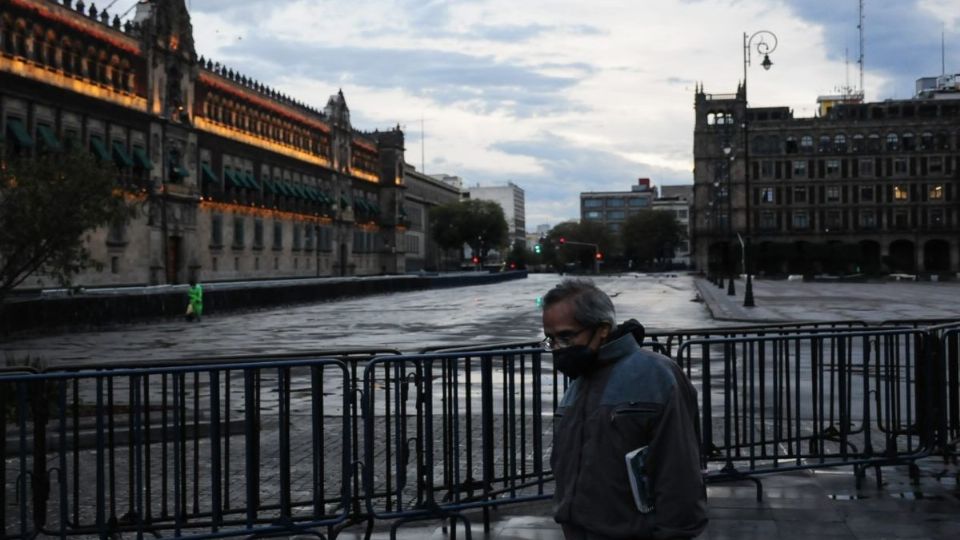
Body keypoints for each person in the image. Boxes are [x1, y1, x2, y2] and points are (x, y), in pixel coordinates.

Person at [543, 278, 707, 539]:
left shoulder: (657, 374)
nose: (559, 348)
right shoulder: (580, 381)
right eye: (551, 340)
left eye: (566, 336)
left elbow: (679, 472)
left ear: (603, 329)